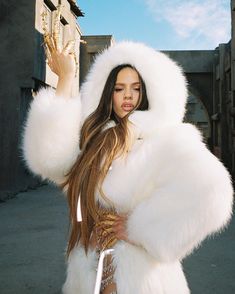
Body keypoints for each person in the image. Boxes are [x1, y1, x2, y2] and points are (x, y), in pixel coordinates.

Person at [22, 25, 234, 294]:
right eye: (119, 88)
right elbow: (50, 160)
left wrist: (139, 226)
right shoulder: (95, 141)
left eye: (136, 88)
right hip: (88, 273)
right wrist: (66, 78)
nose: (128, 96)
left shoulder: (166, 138)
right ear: (108, 92)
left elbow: (213, 192)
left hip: (143, 280)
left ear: (146, 93)